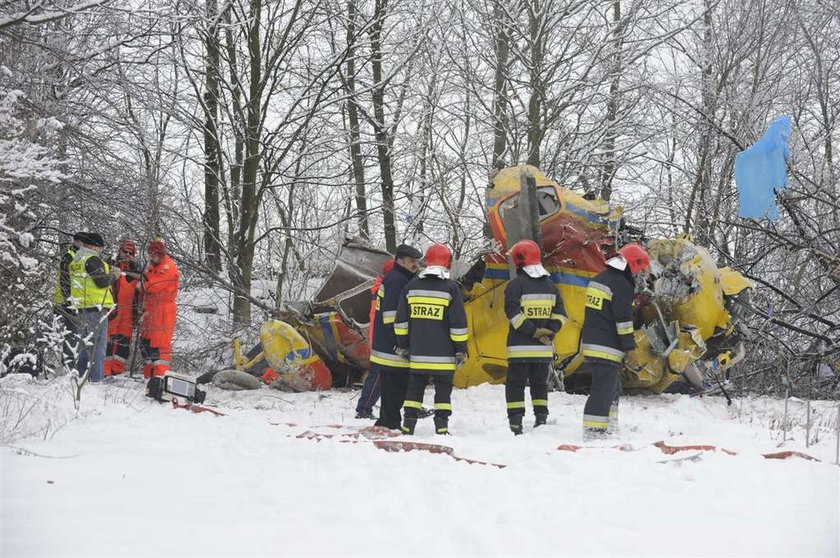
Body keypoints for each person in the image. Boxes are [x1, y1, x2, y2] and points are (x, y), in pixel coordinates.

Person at [395, 243, 467, 435]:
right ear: (448, 262)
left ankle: (408, 425)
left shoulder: (411, 287)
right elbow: (458, 325)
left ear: (426, 261)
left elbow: (401, 322)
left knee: (415, 389)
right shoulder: (451, 289)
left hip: (418, 354)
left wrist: (404, 346)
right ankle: (441, 427)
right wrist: (460, 349)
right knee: (443, 391)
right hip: (444, 357)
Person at [580, 242, 650, 440]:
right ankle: (593, 431)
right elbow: (623, 319)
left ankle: (608, 426)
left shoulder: (600, 279)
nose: (639, 275)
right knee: (603, 388)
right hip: (607, 345)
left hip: (593, 340)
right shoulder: (622, 284)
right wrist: (630, 347)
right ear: (633, 265)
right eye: (640, 269)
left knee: (611, 387)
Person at [503, 239, 567, 435]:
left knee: (515, 385)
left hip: (519, 349)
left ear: (519, 261)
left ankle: (516, 423)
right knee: (540, 384)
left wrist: (533, 331)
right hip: (543, 350)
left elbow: (513, 314)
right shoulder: (551, 286)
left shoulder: (515, 286)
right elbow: (561, 315)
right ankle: (541, 418)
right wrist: (549, 332)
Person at [370, 244, 422, 430]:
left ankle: (385, 420)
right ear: (400, 261)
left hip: (387, 344)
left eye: (416, 261)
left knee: (392, 386)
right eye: (411, 261)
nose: (415, 265)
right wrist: (400, 342)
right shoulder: (397, 280)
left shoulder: (399, 277)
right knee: (396, 386)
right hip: (391, 346)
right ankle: (391, 422)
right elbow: (392, 315)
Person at [67, 232, 121, 383]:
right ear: (93, 246)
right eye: (100, 248)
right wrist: (115, 275)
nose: (100, 251)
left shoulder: (76, 261)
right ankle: (96, 380)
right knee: (98, 347)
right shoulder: (91, 259)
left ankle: (81, 378)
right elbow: (101, 281)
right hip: (95, 308)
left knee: (84, 346)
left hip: (81, 308)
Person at [355, 258, 394, 419]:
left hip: (380, 336)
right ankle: (364, 408)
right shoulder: (384, 289)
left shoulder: (380, 287)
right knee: (378, 374)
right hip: (381, 338)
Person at [139, 239, 180, 378]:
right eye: (151, 254)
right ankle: (149, 377)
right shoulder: (153, 267)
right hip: (151, 310)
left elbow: (153, 286)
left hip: (163, 312)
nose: (152, 257)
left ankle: (160, 377)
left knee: (160, 345)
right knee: (146, 344)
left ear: (161, 254)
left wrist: (141, 284)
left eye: (155, 254)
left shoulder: (168, 267)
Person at [104, 240, 142, 377]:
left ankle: (117, 372)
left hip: (129, 314)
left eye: (131, 253)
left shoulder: (137, 270)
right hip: (112, 311)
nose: (127, 255)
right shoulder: (110, 265)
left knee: (123, 345)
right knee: (108, 341)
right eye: (125, 251)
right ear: (119, 251)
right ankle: (104, 371)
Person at [52, 232, 83, 370]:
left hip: (71, 301)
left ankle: (71, 363)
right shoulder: (69, 257)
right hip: (67, 302)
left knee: (73, 334)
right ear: (76, 242)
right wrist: (70, 300)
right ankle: (69, 364)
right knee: (71, 334)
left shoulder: (77, 257)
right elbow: (65, 281)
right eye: (83, 243)